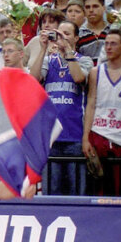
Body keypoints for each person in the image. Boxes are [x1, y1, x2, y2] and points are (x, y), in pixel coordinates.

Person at [30, 20, 91, 195]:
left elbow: (79, 78)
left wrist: (68, 51)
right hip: (50, 137)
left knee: (76, 191)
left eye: (67, 34)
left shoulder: (84, 60)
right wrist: (42, 49)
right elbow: (33, 80)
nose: (62, 37)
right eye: (59, 34)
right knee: (52, 191)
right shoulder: (49, 60)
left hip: (75, 136)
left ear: (76, 38)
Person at [83, 27, 121, 196]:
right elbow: (91, 104)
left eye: (113, 44)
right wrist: (86, 137)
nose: (108, 47)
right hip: (99, 134)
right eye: (106, 44)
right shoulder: (96, 72)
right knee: (100, 191)